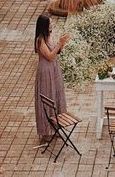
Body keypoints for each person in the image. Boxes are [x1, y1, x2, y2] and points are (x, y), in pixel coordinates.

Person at [34, 14, 69, 143]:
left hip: (54, 68)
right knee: (47, 97)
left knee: (56, 95)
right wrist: (60, 43)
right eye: (49, 23)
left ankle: (55, 126)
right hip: (45, 70)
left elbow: (56, 52)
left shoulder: (49, 35)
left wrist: (62, 44)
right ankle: (45, 131)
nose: (52, 24)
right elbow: (49, 56)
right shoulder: (40, 40)